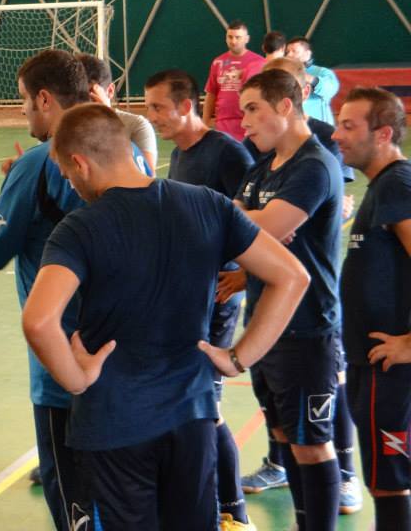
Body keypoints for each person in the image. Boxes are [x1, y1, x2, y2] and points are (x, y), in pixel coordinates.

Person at [22, 103, 309, 530]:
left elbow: (39, 320)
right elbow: (292, 277)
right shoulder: (207, 205)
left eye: (66, 172)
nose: (69, 181)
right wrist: (239, 357)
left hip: (113, 422)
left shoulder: (79, 228)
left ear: (79, 163)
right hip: (191, 416)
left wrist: (76, 378)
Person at [0, 49, 89, 530]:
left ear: (46, 99)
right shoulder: (122, 150)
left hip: (60, 363)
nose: (24, 111)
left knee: (74, 498)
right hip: (122, 353)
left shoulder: (39, 163)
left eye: (25, 101)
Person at [234, 57, 361, 514]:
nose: (244, 122)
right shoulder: (264, 167)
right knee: (286, 437)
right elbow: (242, 227)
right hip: (265, 326)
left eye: (252, 110)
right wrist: (255, 226)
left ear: (285, 105)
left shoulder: (313, 166)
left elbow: (260, 227)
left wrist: (256, 225)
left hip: (308, 329)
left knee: (312, 446)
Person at [143, 69, 256, 531]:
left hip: (216, 300)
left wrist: (241, 274)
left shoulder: (228, 154)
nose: (150, 116)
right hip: (186, 297)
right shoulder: (178, 152)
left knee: (206, 406)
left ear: (185, 106)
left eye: (156, 107)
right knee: (191, 404)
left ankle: (233, 511)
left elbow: (251, 225)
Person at [332, 87, 411, 530]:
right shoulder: (382, 187)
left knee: (391, 482)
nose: (338, 136)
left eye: (349, 126)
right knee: (384, 481)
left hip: (393, 368)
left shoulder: (398, 184)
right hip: (370, 362)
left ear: (382, 134)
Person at [76, 52, 158, 172]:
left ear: (110, 91)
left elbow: (146, 179)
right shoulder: (66, 128)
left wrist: (107, 122)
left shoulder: (136, 125)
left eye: (91, 97)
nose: (83, 105)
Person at [203, 20, 266, 140]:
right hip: (223, 124)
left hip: (249, 123)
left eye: (238, 37)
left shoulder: (259, 63)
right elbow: (211, 93)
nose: (233, 41)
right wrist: (205, 122)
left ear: (247, 39)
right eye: (230, 37)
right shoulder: (218, 62)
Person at [285, 36, 339, 125]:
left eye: (294, 51)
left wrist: (307, 78)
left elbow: (330, 89)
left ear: (307, 54)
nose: (289, 55)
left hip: (320, 127)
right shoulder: (285, 73)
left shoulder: (322, 72)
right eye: (287, 52)